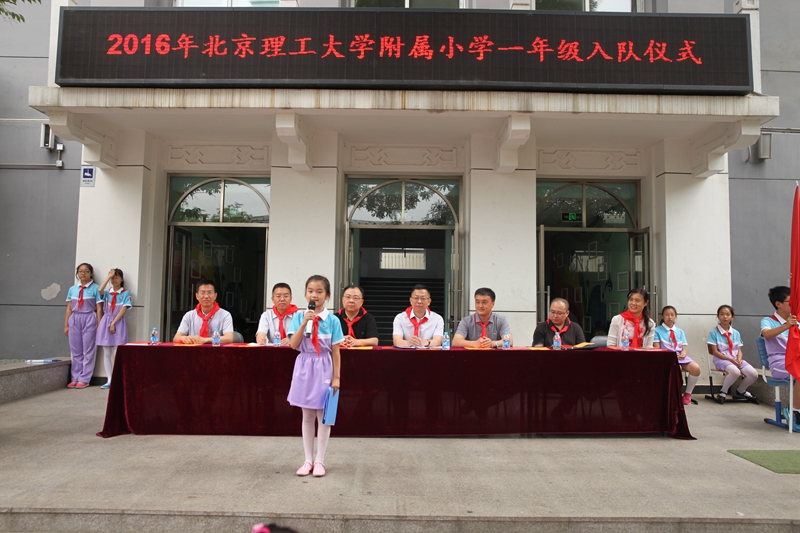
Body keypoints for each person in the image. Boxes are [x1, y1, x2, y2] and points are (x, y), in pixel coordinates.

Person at [288, 275, 343, 478]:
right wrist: (304, 323)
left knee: (324, 415)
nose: (314, 295)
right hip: (304, 366)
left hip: (324, 367)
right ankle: (307, 460)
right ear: (305, 294)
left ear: (327, 295)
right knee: (307, 415)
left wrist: (336, 377)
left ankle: (320, 460)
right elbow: (293, 345)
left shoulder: (333, 320)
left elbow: (336, 351)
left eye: (320, 292)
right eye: (311, 291)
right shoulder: (298, 316)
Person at [760, 286, 799, 426]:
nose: (795, 304)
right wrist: (786, 326)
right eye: (791, 301)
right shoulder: (768, 321)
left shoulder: (797, 321)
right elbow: (766, 334)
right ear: (778, 304)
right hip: (780, 363)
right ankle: (793, 411)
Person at [707, 304, 759, 404]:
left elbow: (739, 350)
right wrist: (731, 360)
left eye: (727, 314)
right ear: (718, 316)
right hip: (721, 360)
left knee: (753, 374)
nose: (725, 317)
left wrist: (739, 359)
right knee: (735, 371)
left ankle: (741, 390)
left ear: (732, 317)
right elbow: (715, 352)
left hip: (735, 360)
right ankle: (723, 392)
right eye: (722, 314)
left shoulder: (736, 333)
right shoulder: (713, 333)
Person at [64, 263, 103, 389]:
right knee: (75, 350)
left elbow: (99, 307)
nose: (83, 274)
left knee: (88, 349)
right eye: (80, 271)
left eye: (86, 271)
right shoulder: (72, 289)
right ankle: (75, 377)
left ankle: (85, 378)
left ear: (91, 273)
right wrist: (66, 325)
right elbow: (69, 308)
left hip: (89, 317)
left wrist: (99, 325)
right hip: (75, 318)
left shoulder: (96, 288)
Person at [654, 306, 700, 405]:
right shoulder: (657, 330)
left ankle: (688, 394)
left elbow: (684, 349)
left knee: (696, 368)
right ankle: (675, 394)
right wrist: (672, 355)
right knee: (677, 368)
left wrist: (683, 353)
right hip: (667, 358)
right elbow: (657, 348)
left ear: (675, 316)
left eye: (672, 315)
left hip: (680, 358)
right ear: (662, 316)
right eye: (667, 315)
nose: (669, 317)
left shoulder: (680, 331)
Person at [96, 268, 132, 390]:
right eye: (112, 278)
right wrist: (107, 277)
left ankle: (118, 379)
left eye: (116, 277)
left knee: (117, 352)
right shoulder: (107, 292)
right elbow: (100, 290)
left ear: (122, 279)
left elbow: (123, 309)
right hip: (106, 321)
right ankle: (109, 379)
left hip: (118, 322)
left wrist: (113, 323)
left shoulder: (125, 293)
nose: (114, 280)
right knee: (106, 352)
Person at [173, 279, 234, 344]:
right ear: (197, 296)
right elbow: (176, 337)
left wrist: (205, 340)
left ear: (215, 296)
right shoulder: (189, 315)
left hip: (216, 349)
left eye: (210, 292)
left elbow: (229, 338)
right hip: (194, 349)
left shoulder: (225, 315)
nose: (206, 296)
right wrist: (183, 338)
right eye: (202, 293)